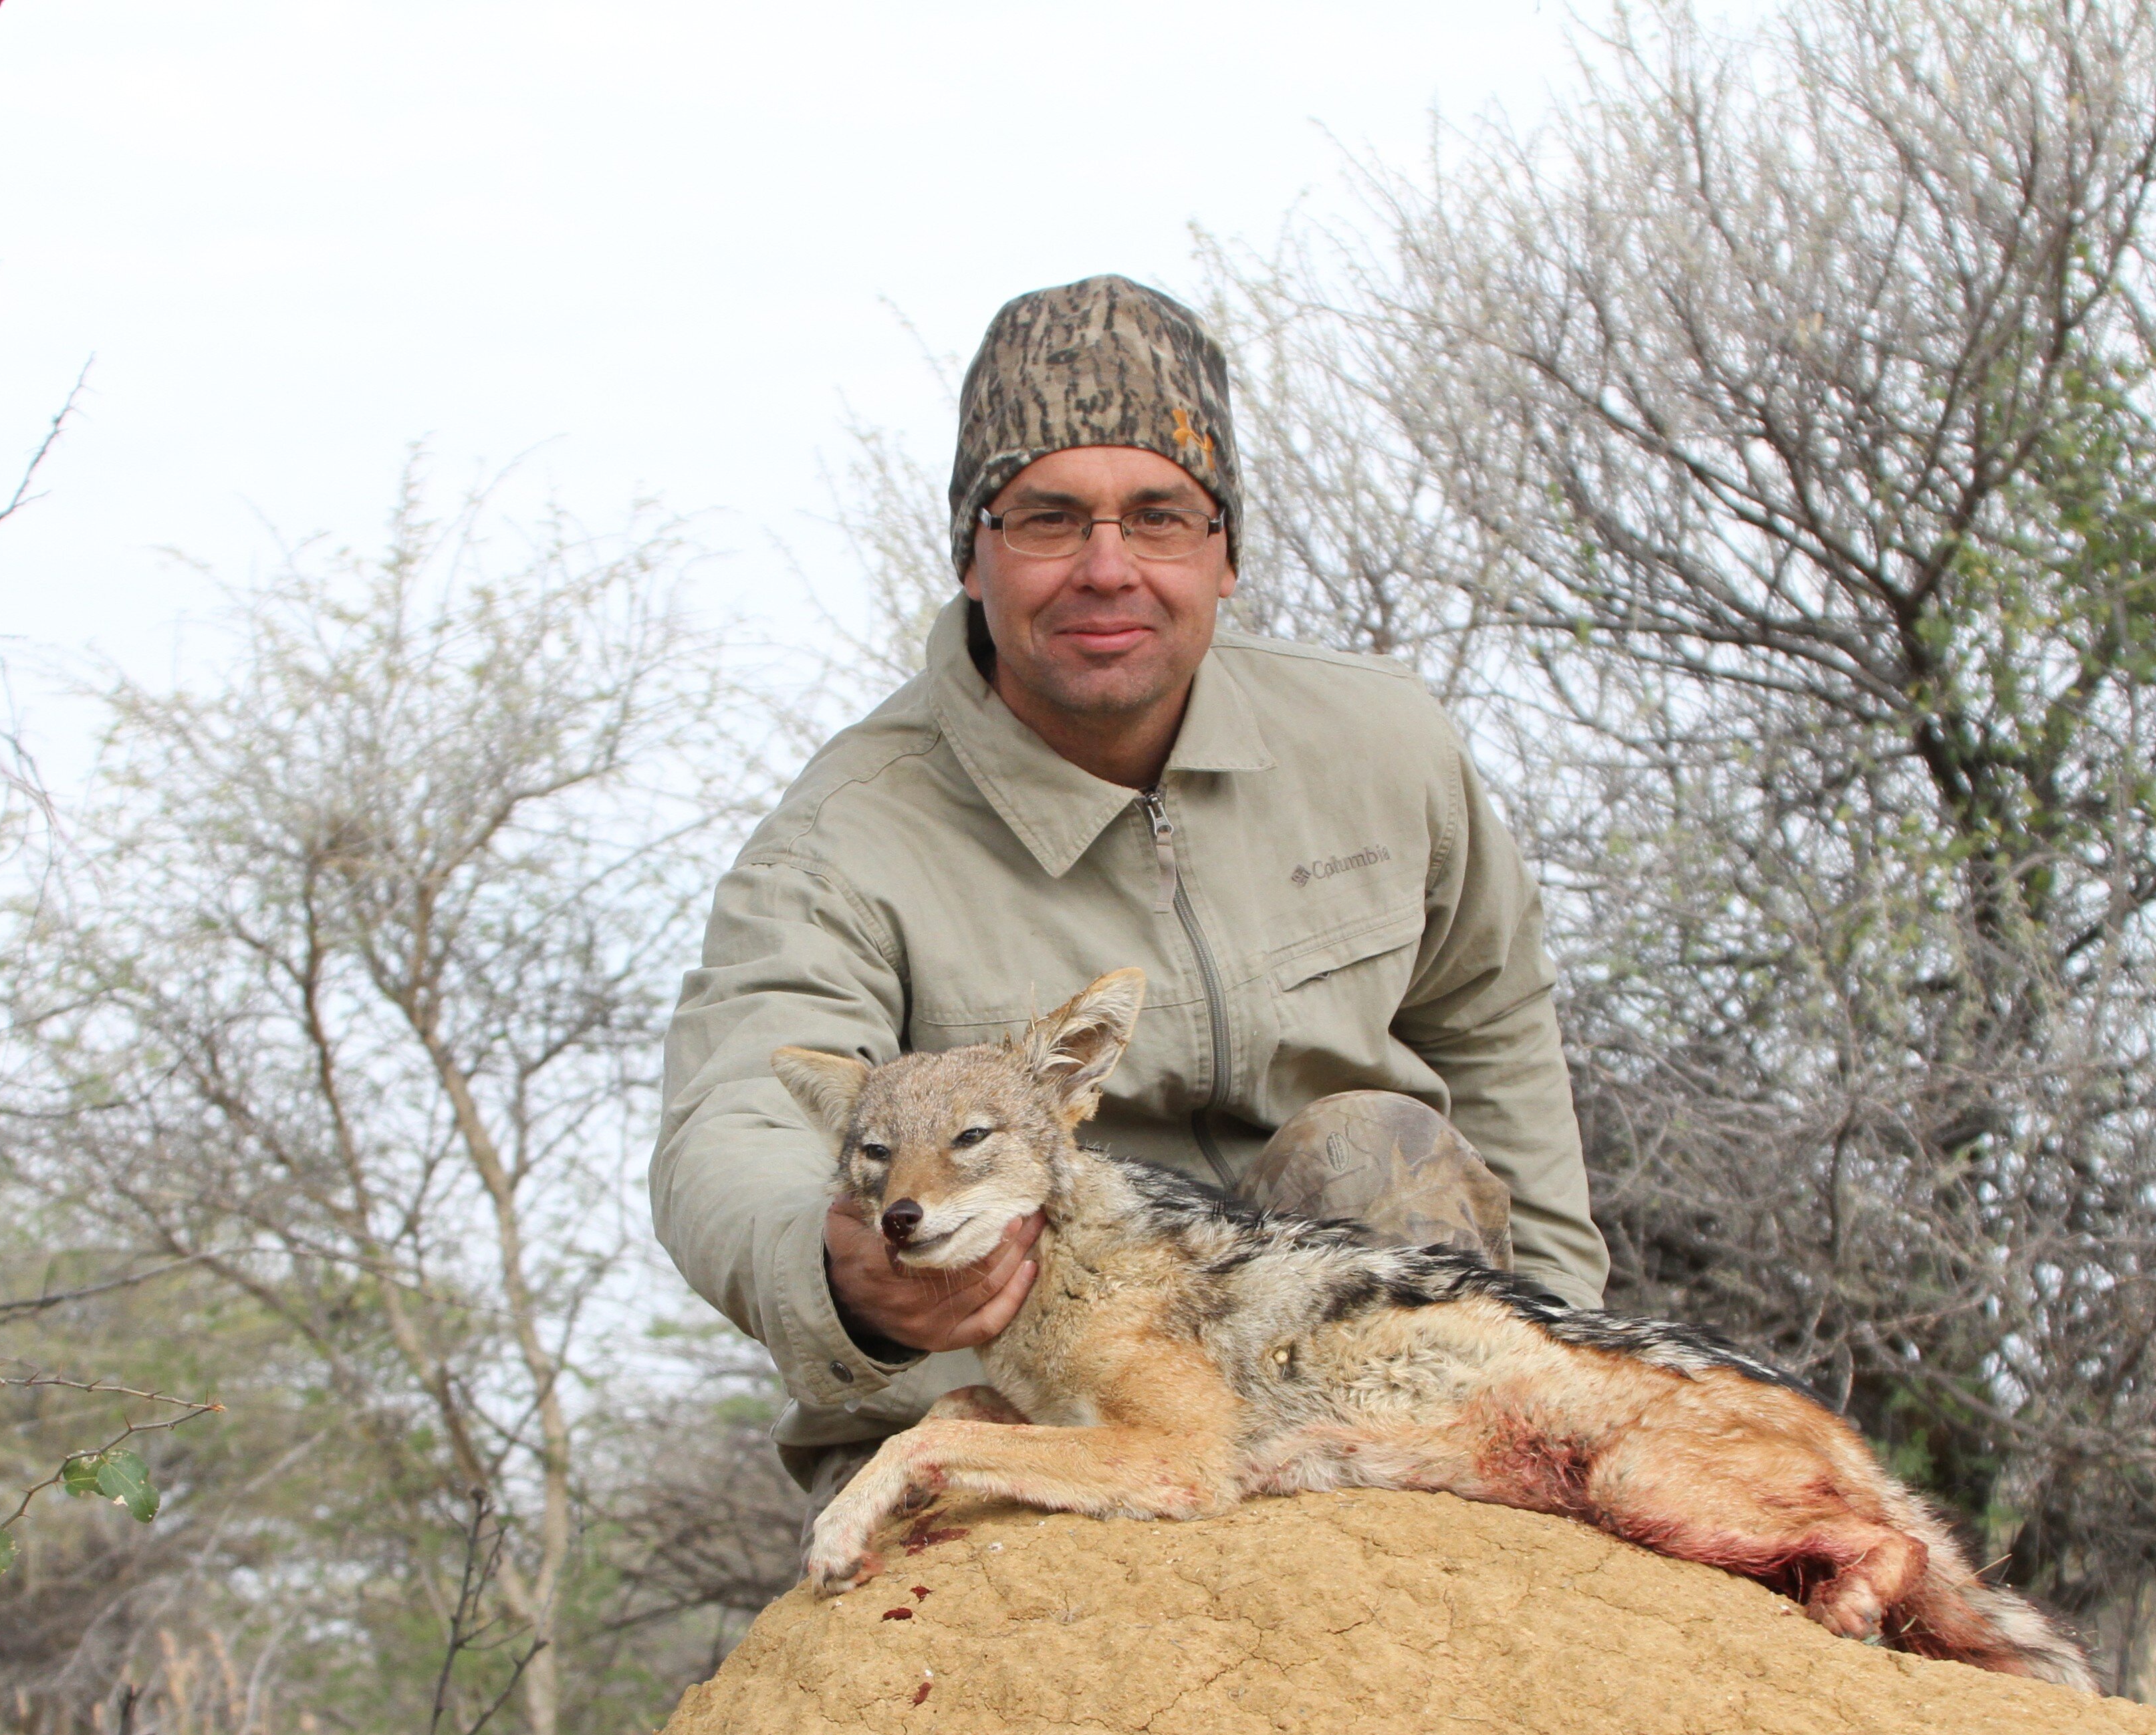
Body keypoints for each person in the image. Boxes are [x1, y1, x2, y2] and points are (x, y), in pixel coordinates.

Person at [652, 273, 1606, 1504]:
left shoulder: (1386, 745)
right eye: (1049, 519)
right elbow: (731, 1124)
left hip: (1326, 1368)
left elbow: (1498, 1041)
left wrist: (1577, 1348)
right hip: (1023, 1407)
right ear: (971, 552)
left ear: (1226, 551)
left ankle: (1469, 1568)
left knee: (1373, 1154)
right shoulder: (841, 842)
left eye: (1160, 517)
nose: (1109, 569)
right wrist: (840, 1276)